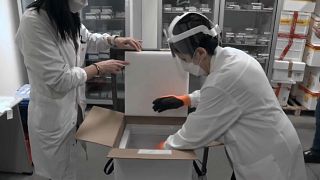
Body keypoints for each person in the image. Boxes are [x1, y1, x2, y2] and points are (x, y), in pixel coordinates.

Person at [152, 12, 307, 180]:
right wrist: (187, 99)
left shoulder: (227, 76)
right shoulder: (231, 57)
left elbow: (195, 132)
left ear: (200, 53)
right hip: (264, 143)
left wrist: (164, 146)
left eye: (183, 58)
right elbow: (225, 96)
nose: (183, 64)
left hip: (269, 159)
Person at [15, 0, 141, 179]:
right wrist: (98, 68)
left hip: (71, 113)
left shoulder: (65, 15)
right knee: (53, 173)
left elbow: (87, 38)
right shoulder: (34, 23)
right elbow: (59, 79)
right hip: (52, 118)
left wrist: (114, 40)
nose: (86, 2)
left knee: (69, 169)